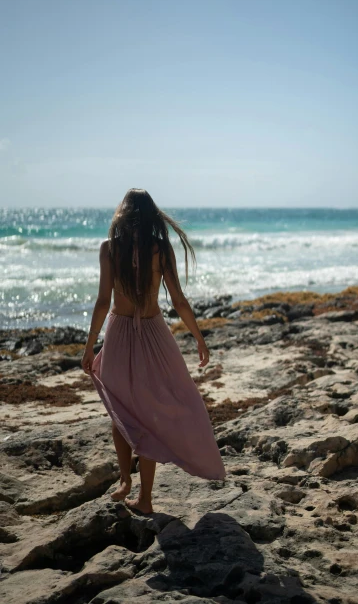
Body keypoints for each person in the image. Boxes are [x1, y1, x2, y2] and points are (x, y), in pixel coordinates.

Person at [81, 188, 226, 515]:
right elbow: (178, 301)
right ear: (151, 216)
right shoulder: (160, 250)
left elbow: (104, 302)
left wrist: (90, 346)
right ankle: (142, 495)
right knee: (145, 413)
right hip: (153, 333)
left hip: (119, 334)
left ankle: (126, 482)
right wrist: (199, 338)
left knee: (122, 413)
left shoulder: (109, 249)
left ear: (123, 213)